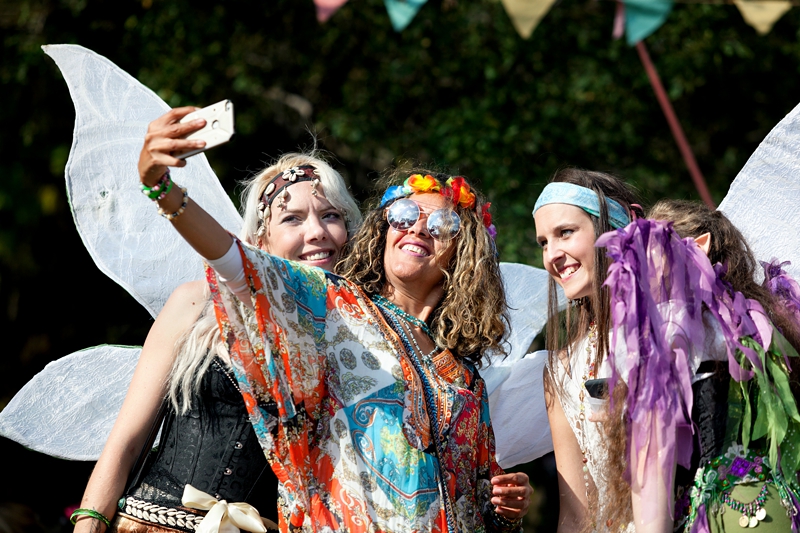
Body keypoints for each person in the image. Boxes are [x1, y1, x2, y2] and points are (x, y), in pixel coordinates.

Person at [130, 106, 533, 533]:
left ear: (464, 251)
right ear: (382, 231)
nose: (417, 229)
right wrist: (161, 188)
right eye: (402, 216)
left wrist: (507, 506)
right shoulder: (335, 309)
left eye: (441, 223)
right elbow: (235, 261)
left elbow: (480, 505)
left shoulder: (465, 380)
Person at [70, 108, 362, 533]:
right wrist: (90, 523)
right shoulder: (197, 304)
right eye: (293, 219)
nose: (316, 231)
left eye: (331, 215)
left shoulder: (359, 337)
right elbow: (126, 440)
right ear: (260, 239)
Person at [599, 199, 800, 533]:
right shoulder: (762, 321)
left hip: (720, 517)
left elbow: (654, 481)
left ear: (699, 247)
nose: (633, 267)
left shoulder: (668, 331)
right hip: (782, 511)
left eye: (647, 247)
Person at [532, 168, 643, 532]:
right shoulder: (560, 371)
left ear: (614, 229)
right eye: (544, 242)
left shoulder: (673, 331)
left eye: (565, 232)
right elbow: (577, 513)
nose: (552, 255)